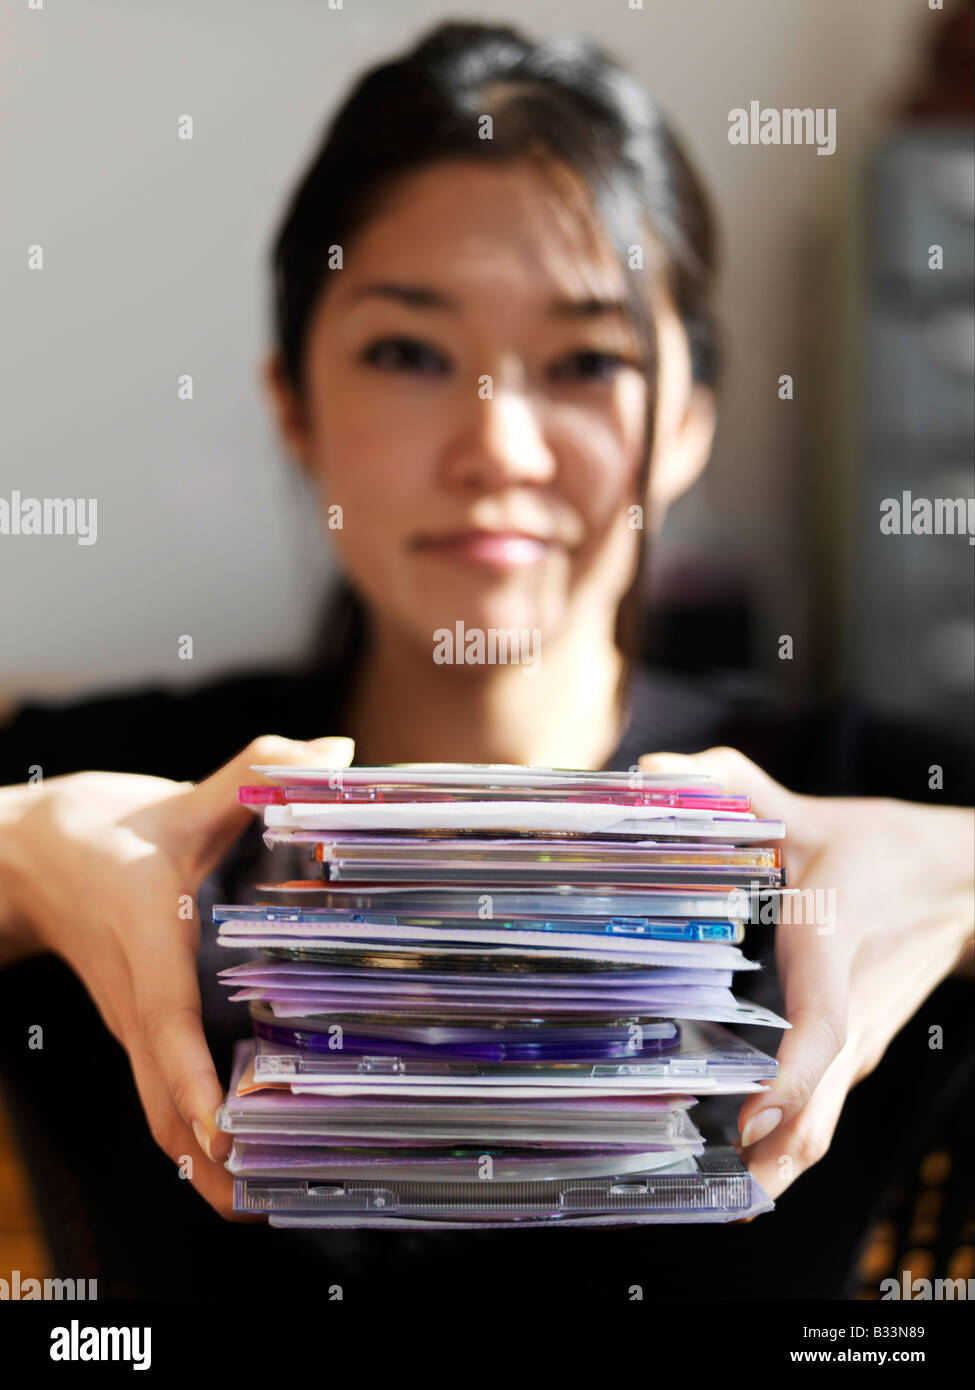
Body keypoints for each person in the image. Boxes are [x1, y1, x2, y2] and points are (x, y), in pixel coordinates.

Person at [0, 22, 971, 1300]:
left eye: (586, 360)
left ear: (687, 424)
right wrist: (23, 854)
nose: (497, 446)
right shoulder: (117, 810)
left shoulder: (855, 811)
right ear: (293, 401)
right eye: (408, 351)